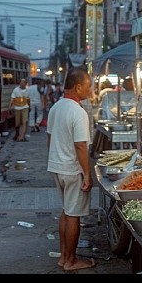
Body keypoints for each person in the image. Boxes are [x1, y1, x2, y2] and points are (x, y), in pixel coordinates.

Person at [46, 67, 96, 271]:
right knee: (74, 214)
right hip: (72, 169)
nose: (90, 90)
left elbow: (49, 138)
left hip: (57, 166)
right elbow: (80, 146)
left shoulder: (56, 107)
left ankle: (64, 257)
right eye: (88, 86)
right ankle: (71, 260)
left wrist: (57, 158)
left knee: (66, 212)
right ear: (78, 87)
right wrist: (87, 174)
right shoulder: (78, 111)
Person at [9, 77, 30, 142]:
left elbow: (28, 99)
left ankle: (22, 136)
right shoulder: (16, 90)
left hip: (25, 107)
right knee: (17, 123)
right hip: (17, 107)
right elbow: (12, 98)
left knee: (24, 122)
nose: (21, 83)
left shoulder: (27, 90)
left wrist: (30, 106)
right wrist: (10, 106)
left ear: (26, 84)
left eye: (23, 82)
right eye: (21, 82)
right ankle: (17, 133)